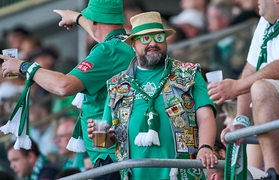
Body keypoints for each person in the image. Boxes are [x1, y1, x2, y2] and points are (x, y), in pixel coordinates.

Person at [0, 0, 135, 179]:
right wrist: (77, 18)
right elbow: (102, 33)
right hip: (109, 148)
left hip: (110, 155)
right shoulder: (124, 44)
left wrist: (24, 67)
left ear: (94, 21)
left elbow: (63, 86)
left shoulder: (107, 51)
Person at [88, 11, 218, 180]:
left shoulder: (190, 73)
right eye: (145, 38)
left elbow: (206, 116)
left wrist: (205, 147)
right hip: (133, 175)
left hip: (182, 173)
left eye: (158, 38)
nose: (152, 44)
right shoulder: (115, 83)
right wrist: (100, 136)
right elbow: (103, 143)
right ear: (133, 44)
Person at [208, 0, 279, 179]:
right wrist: (242, 119)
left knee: (262, 88)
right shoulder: (266, 20)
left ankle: (273, 175)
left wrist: (236, 87)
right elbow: (251, 68)